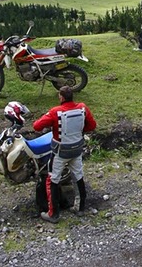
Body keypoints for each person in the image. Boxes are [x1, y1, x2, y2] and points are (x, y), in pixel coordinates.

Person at [32, 85, 96, 223]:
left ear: (61, 97)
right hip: (77, 149)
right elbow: (92, 126)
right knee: (78, 176)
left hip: (60, 152)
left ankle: (53, 213)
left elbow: (37, 126)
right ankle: (80, 207)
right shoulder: (83, 108)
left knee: (52, 180)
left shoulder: (56, 112)